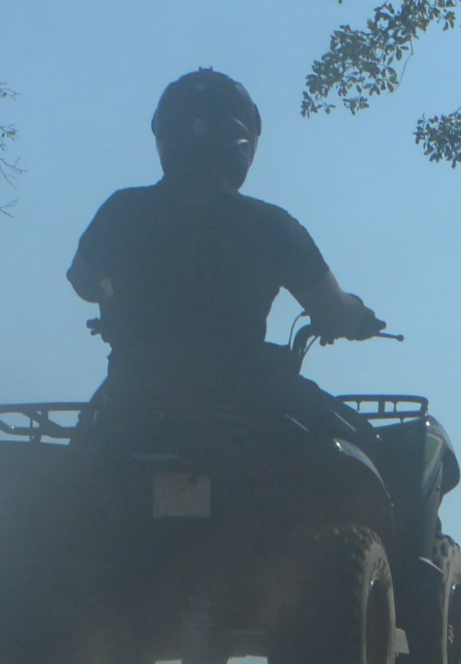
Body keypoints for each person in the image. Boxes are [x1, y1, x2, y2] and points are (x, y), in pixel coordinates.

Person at [67, 69, 383, 425]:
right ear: (243, 139)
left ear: (165, 135)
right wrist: (358, 317)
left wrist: (115, 297)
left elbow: (82, 280)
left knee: (79, 456)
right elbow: (334, 311)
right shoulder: (272, 225)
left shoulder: (121, 210)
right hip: (249, 401)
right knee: (366, 448)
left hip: (133, 397)